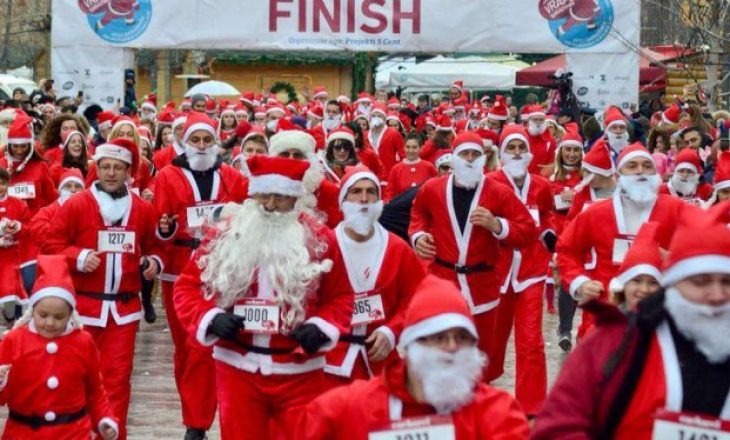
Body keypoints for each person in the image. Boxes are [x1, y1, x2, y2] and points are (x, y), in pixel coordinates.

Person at [173, 154, 353, 439]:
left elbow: (342, 297)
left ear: (294, 198)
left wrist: (321, 327)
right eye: (263, 196)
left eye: (280, 198)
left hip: (300, 373)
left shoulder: (319, 238)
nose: (270, 206)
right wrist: (212, 318)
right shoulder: (226, 234)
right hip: (238, 371)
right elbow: (186, 288)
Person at [533, 205, 730, 439]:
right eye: (700, 282)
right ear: (673, 284)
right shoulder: (615, 342)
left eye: (727, 282)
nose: (717, 295)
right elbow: (557, 426)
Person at [302, 275, 530, 439]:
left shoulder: (497, 411)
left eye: (462, 337)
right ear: (412, 346)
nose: (451, 347)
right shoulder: (349, 407)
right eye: (439, 337)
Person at [43, 137, 164, 439]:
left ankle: (111, 435)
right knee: (74, 377)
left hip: (123, 311)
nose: (111, 173)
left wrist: (153, 263)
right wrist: (79, 257)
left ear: (129, 172)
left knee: (118, 380)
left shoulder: (142, 209)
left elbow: (153, 247)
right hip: (83, 310)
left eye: (118, 168)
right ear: (96, 170)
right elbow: (50, 246)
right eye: (105, 167)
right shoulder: (77, 204)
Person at [409, 131, 538, 378]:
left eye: (475, 154)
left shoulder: (497, 191)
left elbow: (528, 230)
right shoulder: (433, 188)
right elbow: (418, 214)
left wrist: (497, 225)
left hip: (483, 286)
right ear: (453, 157)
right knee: (442, 353)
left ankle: (479, 410)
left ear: (483, 158)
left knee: (481, 359)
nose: (469, 159)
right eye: (464, 154)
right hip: (443, 282)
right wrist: (418, 236)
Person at [153, 111, 247, 439]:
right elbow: (159, 225)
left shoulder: (234, 178)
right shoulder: (167, 175)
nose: (203, 145)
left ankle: (197, 422)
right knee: (187, 348)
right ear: (185, 141)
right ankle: (194, 413)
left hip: (223, 271)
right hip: (179, 269)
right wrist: (164, 229)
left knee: (203, 348)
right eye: (196, 139)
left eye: (208, 139)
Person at [556, 143, 688, 338]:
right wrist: (580, 282)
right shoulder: (595, 213)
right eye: (632, 166)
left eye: (647, 165)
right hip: (605, 310)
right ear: (618, 176)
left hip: (659, 312)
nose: (640, 171)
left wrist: (674, 258)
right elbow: (566, 249)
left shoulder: (676, 210)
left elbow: (704, 248)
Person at [0, 255, 119, 440]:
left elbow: (95, 390)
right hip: (22, 434)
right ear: (32, 310)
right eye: (43, 315)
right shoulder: (14, 341)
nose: (50, 323)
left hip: (74, 433)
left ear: (71, 314)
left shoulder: (83, 342)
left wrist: (105, 419)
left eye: (59, 317)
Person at [324, 167, 425, 383]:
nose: (364, 199)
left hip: (382, 363)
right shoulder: (324, 246)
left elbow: (416, 298)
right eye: (356, 191)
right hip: (330, 363)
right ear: (343, 199)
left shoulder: (398, 249)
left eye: (371, 192)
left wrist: (391, 331)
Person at [487, 124, 555, 415]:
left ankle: (532, 405)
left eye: (520, 148)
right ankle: (483, 395)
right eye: (510, 148)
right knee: (491, 339)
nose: (516, 153)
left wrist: (550, 233)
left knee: (530, 341)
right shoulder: (489, 182)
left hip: (531, 269)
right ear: (502, 153)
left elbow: (549, 214)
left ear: (528, 153)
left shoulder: (541, 185)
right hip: (496, 272)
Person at [266, 129, 343, 228]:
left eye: (298, 155)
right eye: (285, 154)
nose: (291, 159)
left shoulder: (327, 191)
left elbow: (335, 234)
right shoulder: (261, 190)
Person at [0, 113, 57, 216]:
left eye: (23, 146)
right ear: (9, 145)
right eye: (15, 146)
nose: (19, 151)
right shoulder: (1, 164)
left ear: (30, 145)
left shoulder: (40, 166)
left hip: (33, 222)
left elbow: (51, 197)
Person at [608, 222, 663, 312]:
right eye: (637, 281)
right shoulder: (608, 322)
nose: (644, 289)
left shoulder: (670, 324)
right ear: (624, 283)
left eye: (653, 283)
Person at [0, 166, 30, 320]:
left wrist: (17, 227)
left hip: (11, 257)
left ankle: (10, 317)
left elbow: (28, 227)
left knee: (9, 289)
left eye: (2, 183)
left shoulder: (18, 204)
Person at [29, 169, 85, 249]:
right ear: (60, 190)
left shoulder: (90, 209)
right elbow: (36, 229)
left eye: (77, 186)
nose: (73, 190)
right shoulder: (47, 211)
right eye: (68, 186)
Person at [386, 134, 437, 201]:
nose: (410, 151)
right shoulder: (396, 169)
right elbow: (390, 193)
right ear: (404, 147)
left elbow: (435, 189)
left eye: (414, 147)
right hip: (402, 209)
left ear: (421, 148)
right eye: (408, 147)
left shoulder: (429, 167)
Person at [522, 105, 557, 176]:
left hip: (541, 179)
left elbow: (552, 162)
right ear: (529, 121)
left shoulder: (550, 141)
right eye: (535, 120)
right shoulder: (522, 136)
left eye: (541, 120)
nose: (538, 122)